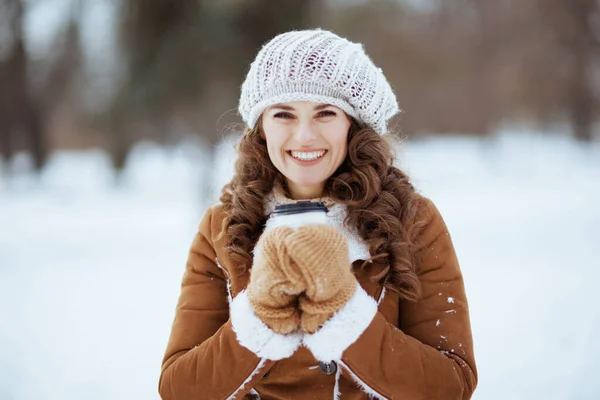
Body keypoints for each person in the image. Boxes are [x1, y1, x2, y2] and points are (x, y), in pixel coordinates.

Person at [158, 29, 477, 400]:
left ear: (353, 124)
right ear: (261, 126)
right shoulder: (222, 227)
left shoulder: (413, 220)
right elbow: (179, 389)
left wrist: (343, 310)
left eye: (325, 113)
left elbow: (452, 385)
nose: (305, 136)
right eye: (284, 114)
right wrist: (260, 317)